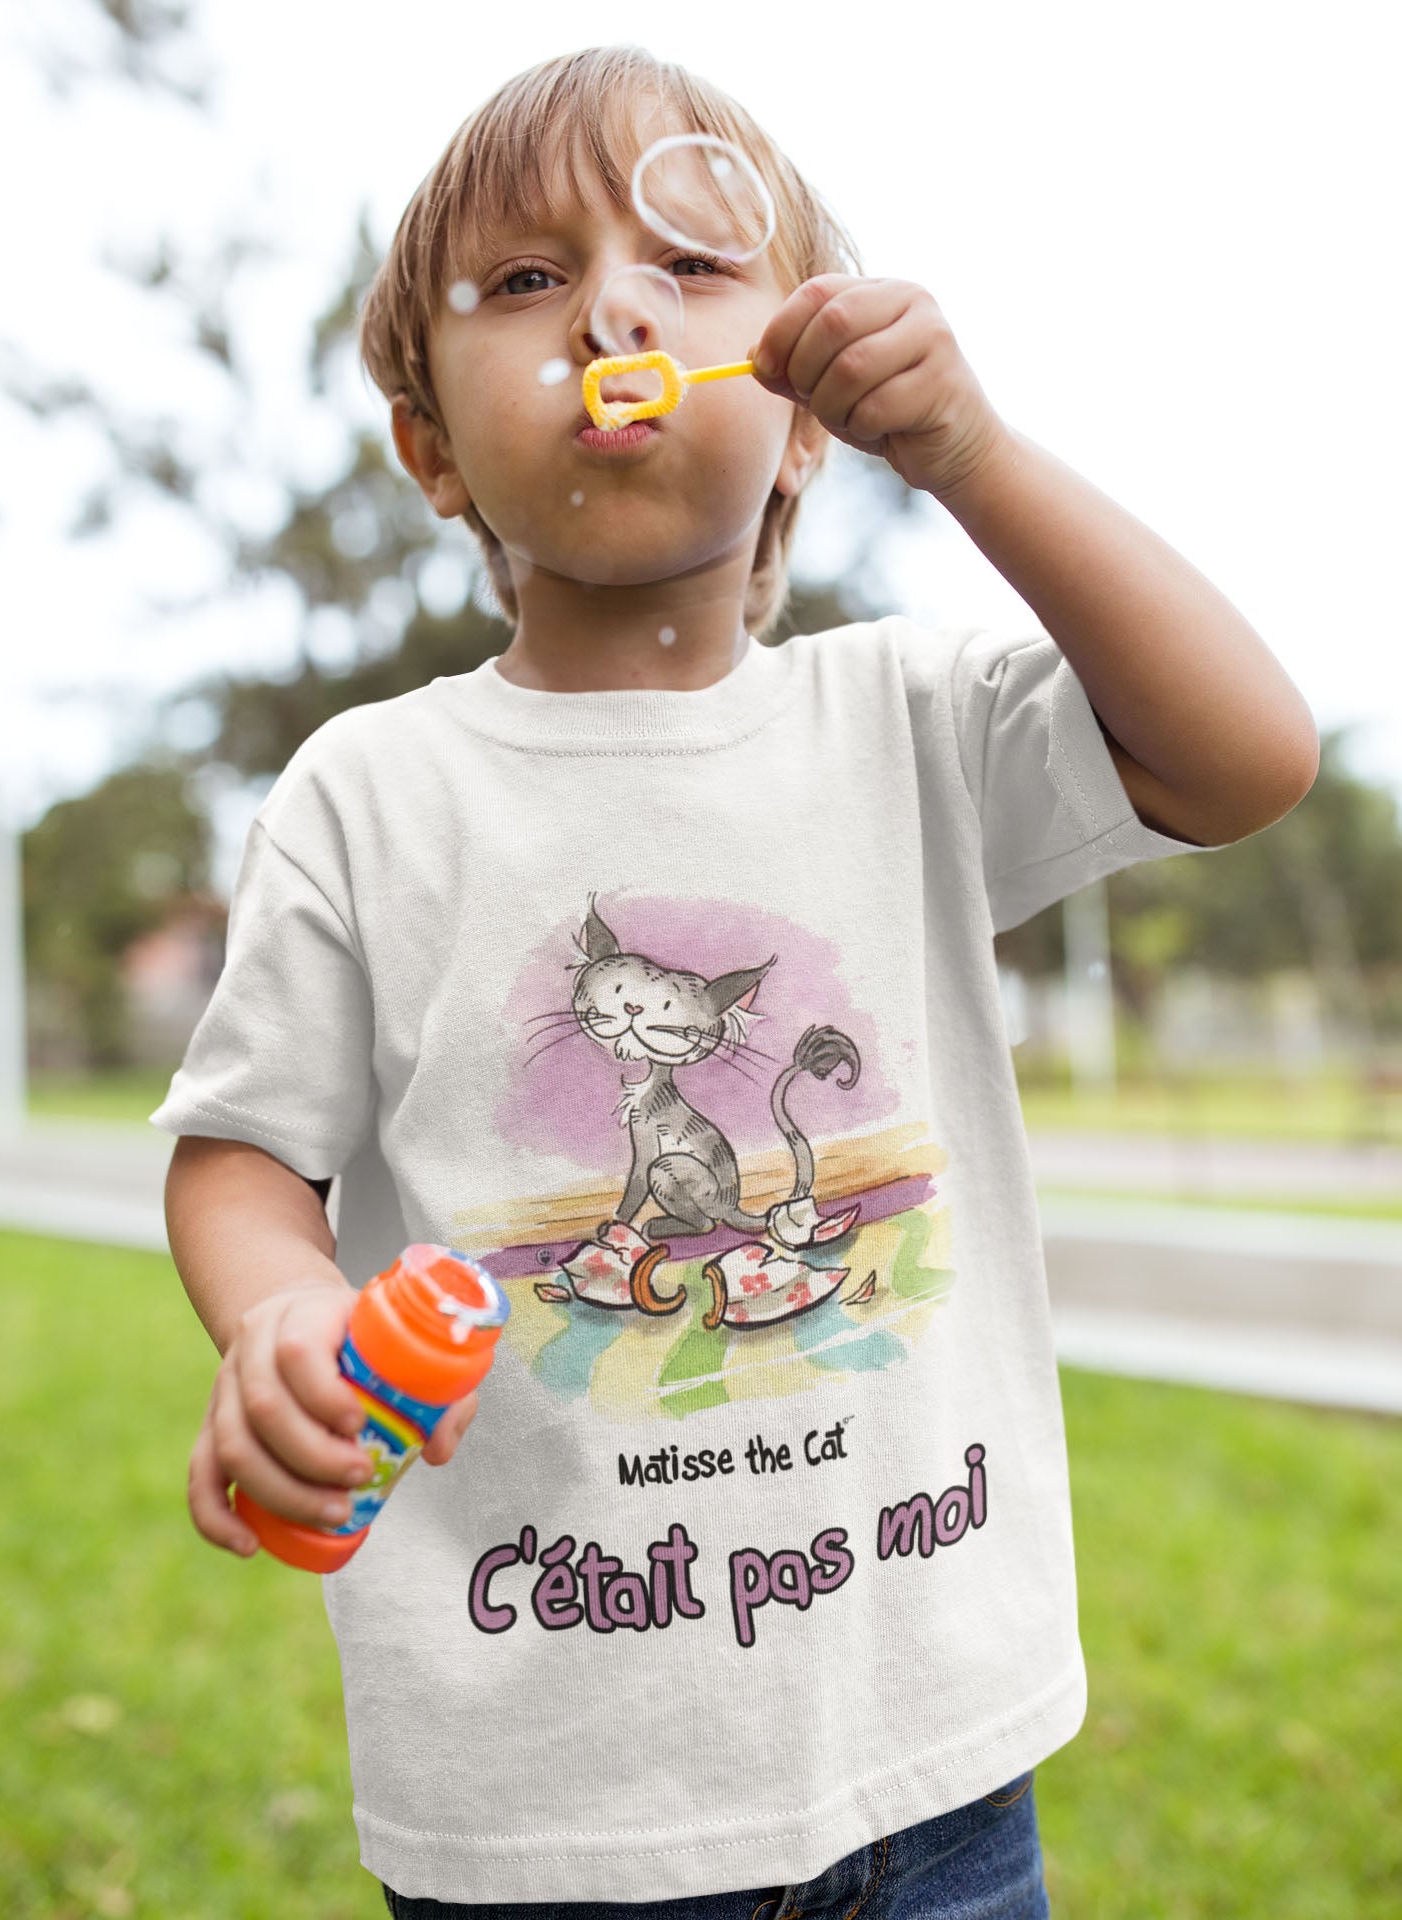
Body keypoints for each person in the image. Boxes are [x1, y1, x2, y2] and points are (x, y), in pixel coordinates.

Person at [153, 44, 1319, 1920]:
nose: (613, 303)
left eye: (690, 264)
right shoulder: (372, 794)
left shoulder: (912, 718)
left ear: (801, 410)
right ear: (432, 445)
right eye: (528, 282)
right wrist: (281, 1316)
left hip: (935, 1774)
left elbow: (1245, 756)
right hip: (543, 1812)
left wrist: (981, 458)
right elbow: (241, 1154)